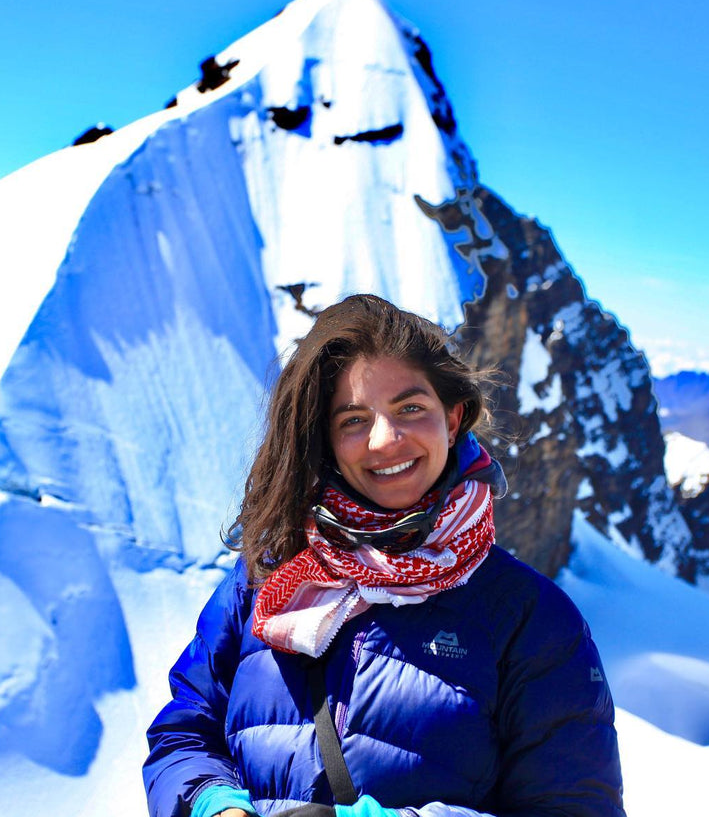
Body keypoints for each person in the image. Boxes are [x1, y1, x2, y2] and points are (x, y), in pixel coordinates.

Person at [144, 294, 624, 817]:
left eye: (410, 409)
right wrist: (214, 804)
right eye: (353, 419)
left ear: (453, 419)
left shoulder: (530, 617)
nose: (385, 440)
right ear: (325, 439)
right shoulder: (265, 578)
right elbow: (185, 730)